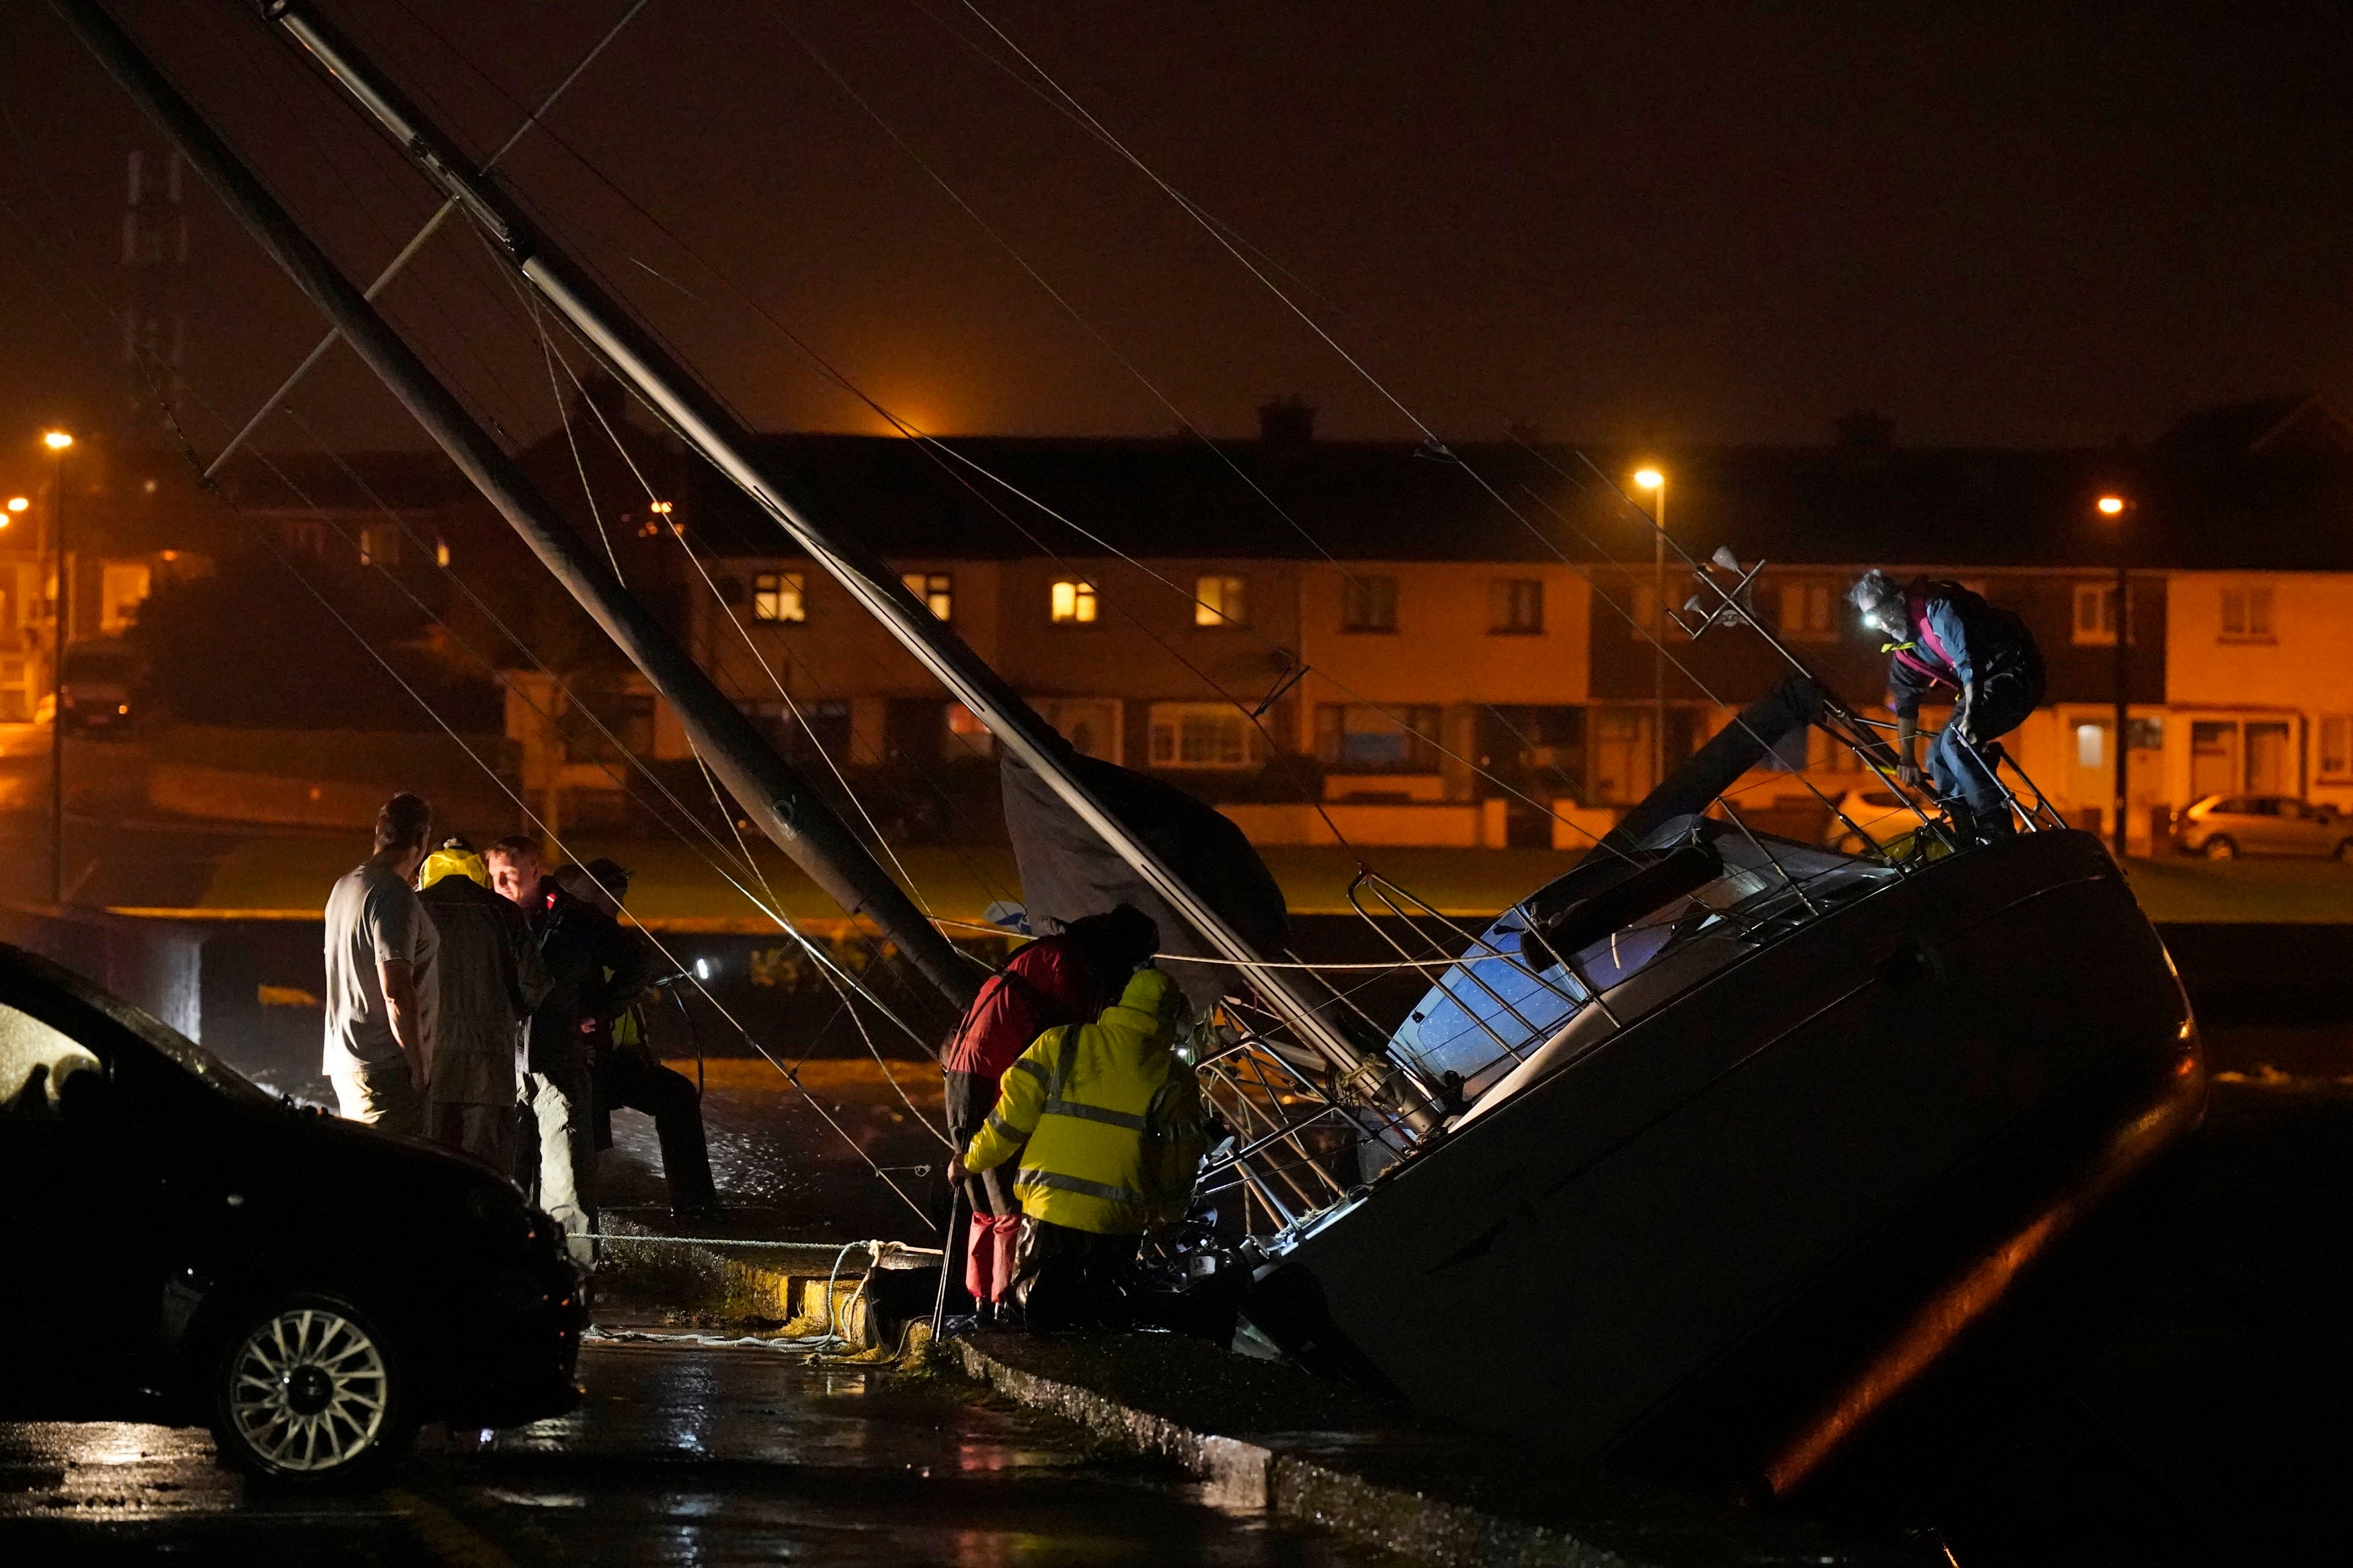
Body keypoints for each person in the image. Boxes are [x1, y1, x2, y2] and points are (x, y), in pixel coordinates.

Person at [949, 965, 1208, 1334]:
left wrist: (970, 1161)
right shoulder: (1174, 1077)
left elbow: (1009, 1121)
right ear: (1171, 1017)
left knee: (1038, 1312)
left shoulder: (1061, 1043)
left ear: (1120, 1004)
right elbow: (1180, 1159)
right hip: (1117, 1218)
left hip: (1048, 1208)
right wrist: (1170, 1213)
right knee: (1100, 1319)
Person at [939, 905, 1160, 1327]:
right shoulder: (1069, 965)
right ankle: (1005, 1306)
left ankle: (984, 1303)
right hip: (995, 1077)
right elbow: (1072, 1040)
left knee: (984, 1202)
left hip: (969, 1073)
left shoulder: (1054, 953)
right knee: (1007, 1202)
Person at [492, 839, 651, 1264]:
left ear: (535, 870)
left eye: (508, 874)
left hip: (559, 1060)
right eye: (493, 876)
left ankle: (574, 1271)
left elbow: (636, 961)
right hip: (506, 1065)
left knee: (567, 1179)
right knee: (507, 1174)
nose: (500, 885)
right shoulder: (494, 920)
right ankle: (511, 1264)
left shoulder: (576, 920)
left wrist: (600, 1010)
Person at [561, 859, 721, 1221]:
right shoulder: (571, 937)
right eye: (607, 896)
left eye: (617, 898)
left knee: (677, 1095)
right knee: (583, 1131)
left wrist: (641, 1050)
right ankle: (578, 1212)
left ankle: (694, 1205)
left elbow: (629, 1005)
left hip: (619, 1059)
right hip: (576, 1060)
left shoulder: (617, 940)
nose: (615, 905)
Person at [1850, 570, 2047, 841]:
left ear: (1897, 600)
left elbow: (1969, 662)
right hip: (1982, 688)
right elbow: (1906, 708)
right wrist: (1906, 758)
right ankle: (1965, 827)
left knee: (1956, 742)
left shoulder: (1939, 610)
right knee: (1935, 758)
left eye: (1880, 613)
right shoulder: (1906, 654)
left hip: (2014, 673)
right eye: (1871, 621)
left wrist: (1971, 715)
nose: (1881, 624)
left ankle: (1996, 827)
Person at [417, 837, 549, 1173]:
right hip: (490, 1066)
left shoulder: (415, 908)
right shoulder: (504, 912)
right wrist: (509, 1015)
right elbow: (536, 983)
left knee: (429, 1162)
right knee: (485, 1170)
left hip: (429, 1063)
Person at [321, 793, 438, 1134]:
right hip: (387, 1068)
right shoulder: (392, 896)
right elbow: (396, 989)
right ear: (421, 839)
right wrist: (418, 1065)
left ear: (379, 832)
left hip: (350, 1061)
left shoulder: (345, 886)